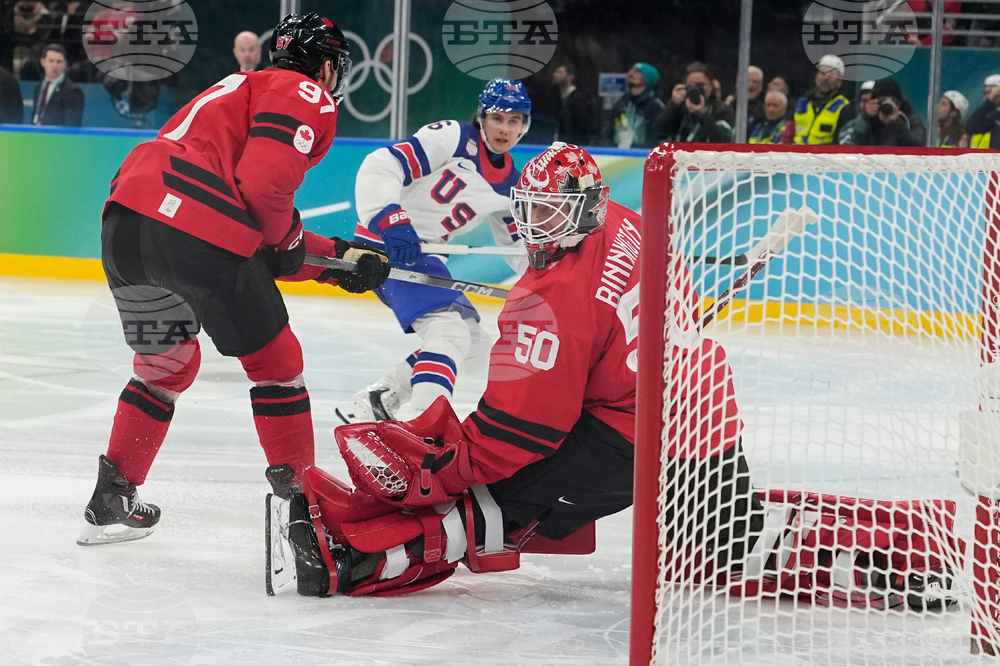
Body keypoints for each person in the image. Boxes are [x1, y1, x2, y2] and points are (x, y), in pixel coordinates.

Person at [276, 143, 961, 610]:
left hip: (639, 431)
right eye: (530, 209)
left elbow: (520, 433)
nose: (535, 226)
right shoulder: (629, 223)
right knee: (728, 542)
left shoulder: (548, 302)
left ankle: (356, 557)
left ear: (584, 209)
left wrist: (444, 471)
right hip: (695, 403)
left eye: (550, 213)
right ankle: (898, 545)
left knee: (493, 505)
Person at [77, 14, 391, 597]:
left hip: (126, 222)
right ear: (325, 66)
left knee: (166, 365)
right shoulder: (303, 90)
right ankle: (308, 525)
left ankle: (112, 496)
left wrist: (337, 259)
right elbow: (263, 192)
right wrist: (306, 253)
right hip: (189, 221)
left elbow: (249, 225)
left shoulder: (238, 88)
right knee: (278, 366)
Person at [334, 79, 530, 425]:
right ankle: (424, 426)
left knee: (475, 347)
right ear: (482, 117)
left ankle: (380, 396)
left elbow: (516, 246)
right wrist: (391, 219)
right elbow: (382, 164)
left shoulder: (511, 186)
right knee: (449, 332)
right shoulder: (453, 137)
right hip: (384, 245)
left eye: (514, 121)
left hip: (425, 258)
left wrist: (549, 277)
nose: (505, 129)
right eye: (498, 118)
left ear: (524, 127)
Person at [655, 61, 734, 144]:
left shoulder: (722, 109)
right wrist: (673, 104)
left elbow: (725, 139)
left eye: (701, 85)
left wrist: (703, 115)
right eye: (692, 85)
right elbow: (659, 132)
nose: (697, 89)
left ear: (711, 85)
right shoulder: (680, 107)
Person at [837, 78, 926, 147]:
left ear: (899, 103)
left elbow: (920, 145)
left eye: (892, 101)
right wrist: (866, 118)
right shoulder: (867, 119)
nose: (887, 105)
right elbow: (844, 142)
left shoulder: (908, 118)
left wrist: (898, 123)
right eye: (882, 101)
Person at [792, 54, 856, 145]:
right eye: (822, 73)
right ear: (816, 76)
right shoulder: (802, 102)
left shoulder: (845, 107)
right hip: (795, 151)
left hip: (824, 152)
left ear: (839, 82)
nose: (826, 78)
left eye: (832, 75)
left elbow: (841, 141)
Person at [602, 62, 664, 149]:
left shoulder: (654, 106)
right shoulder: (622, 102)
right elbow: (608, 129)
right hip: (617, 153)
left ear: (647, 78)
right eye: (631, 70)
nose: (631, 73)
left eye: (637, 72)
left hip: (642, 154)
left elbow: (656, 135)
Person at [32, 43, 83, 126]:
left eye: (59, 62)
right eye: (51, 61)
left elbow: (72, 126)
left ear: (65, 64)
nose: (55, 66)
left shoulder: (72, 91)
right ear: (43, 62)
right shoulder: (39, 86)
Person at [552, 63, 597, 145]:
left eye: (560, 72)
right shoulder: (558, 98)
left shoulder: (579, 99)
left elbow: (583, 124)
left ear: (570, 76)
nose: (555, 75)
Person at [967, 74, 1000, 151]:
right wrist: (989, 102)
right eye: (986, 93)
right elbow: (970, 127)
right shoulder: (988, 116)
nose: (988, 97)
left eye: (991, 93)